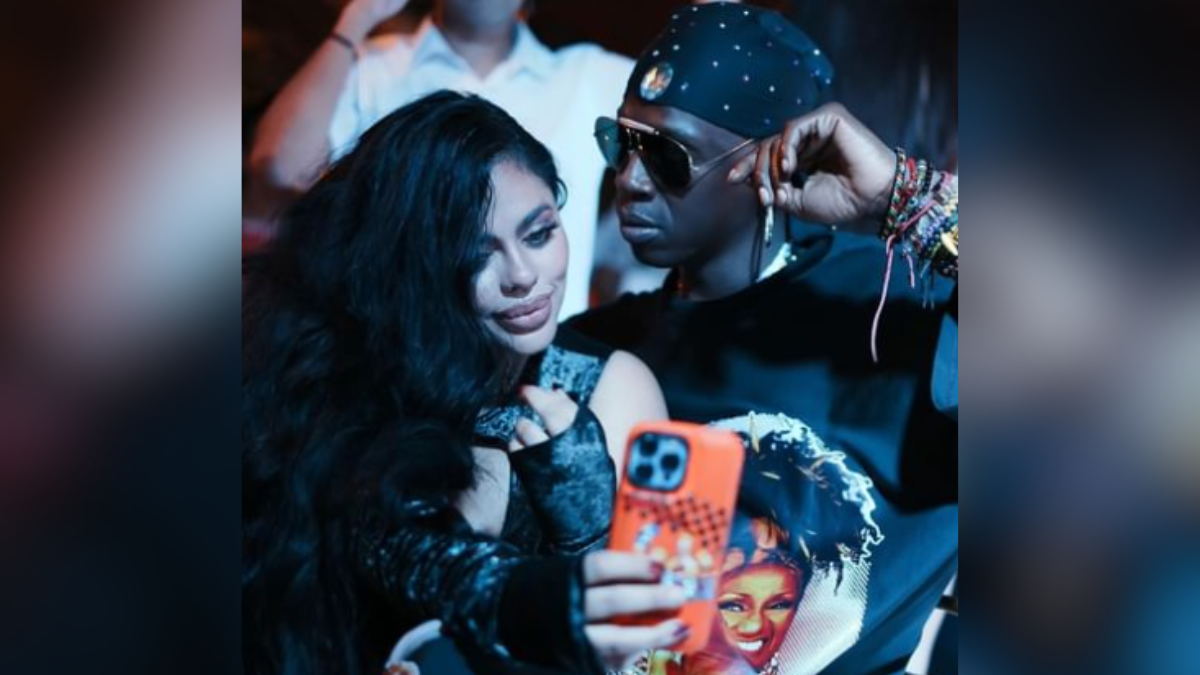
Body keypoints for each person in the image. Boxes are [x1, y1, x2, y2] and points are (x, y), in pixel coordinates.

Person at [566, 4, 958, 674]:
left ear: (766, 162)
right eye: (621, 143)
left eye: (667, 155)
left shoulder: (892, 312)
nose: (629, 180)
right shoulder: (593, 350)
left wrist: (900, 196)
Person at [243, 91, 681, 675]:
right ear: (417, 265)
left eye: (538, 234)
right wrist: (530, 595)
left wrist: (588, 532)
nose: (522, 276)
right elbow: (404, 551)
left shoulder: (606, 386)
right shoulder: (355, 379)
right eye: (477, 254)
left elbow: (649, 645)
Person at [248, 0, 634, 317]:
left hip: (545, 350)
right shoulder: (373, 68)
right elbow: (281, 167)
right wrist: (358, 18)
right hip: (409, 355)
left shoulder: (583, 75)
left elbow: (672, 124)